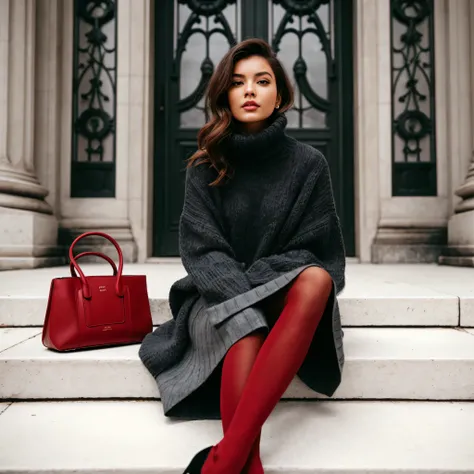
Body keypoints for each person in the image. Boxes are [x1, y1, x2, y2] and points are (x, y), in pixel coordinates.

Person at [139, 38, 346, 474]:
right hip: (217, 296)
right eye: (237, 82)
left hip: (283, 290)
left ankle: (223, 460)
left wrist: (264, 280)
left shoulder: (310, 164)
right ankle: (238, 462)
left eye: (262, 80)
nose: (249, 90)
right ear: (225, 96)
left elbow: (320, 250)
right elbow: (203, 252)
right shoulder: (205, 165)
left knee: (317, 280)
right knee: (245, 324)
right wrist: (245, 292)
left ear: (280, 96)